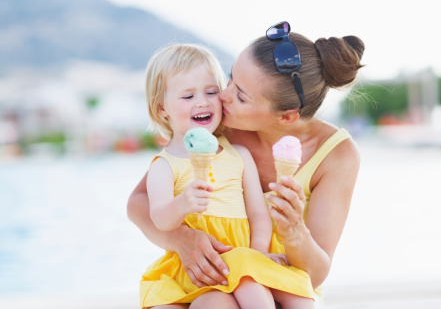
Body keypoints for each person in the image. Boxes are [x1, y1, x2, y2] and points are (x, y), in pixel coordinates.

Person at [128, 22, 365, 308]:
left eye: (240, 95)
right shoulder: (216, 126)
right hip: (209, 281)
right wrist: (184, 240)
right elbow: (138, 203)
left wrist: (294, 231)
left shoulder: (336, 155)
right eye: (230, 78)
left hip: (279, 283)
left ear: (287, 117)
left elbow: (314, 276)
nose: (222, 96)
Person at [138, 43, 316, 309]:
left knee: (297, 296)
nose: (203, 101)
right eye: (188, 97)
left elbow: (257, 213)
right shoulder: (164, 165)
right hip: (200, 266)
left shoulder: (239, 155)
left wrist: (258, 254)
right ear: (162, 108)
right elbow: (160, 219)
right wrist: (182, 204)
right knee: (212, 303)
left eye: (211, 92)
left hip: (244, 256)